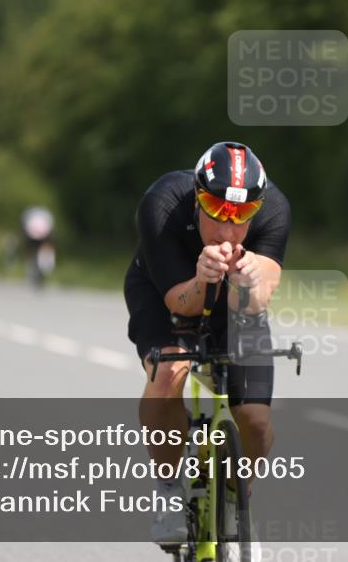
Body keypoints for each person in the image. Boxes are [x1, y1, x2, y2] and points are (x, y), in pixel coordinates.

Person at [124, 141, 290, 544]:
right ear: (198, 200)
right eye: (217, 212)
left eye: (242, 215)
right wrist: (202, 279)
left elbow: (259, 296)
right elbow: (179, 303)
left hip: (237, 306)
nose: (228, 229)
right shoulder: (162, 205)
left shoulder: (276, 210)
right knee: (168, 374)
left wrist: (246, 282)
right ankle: (167, 490)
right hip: (167, 291)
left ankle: (237, 490)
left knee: (255, 421)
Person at [21, 205, 55, 287]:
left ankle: (38, 272)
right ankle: (38, 272)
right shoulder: (43, 216)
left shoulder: (35, 216)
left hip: (37, 237)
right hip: (37, 237)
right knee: (36, 255)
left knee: (36, 255)